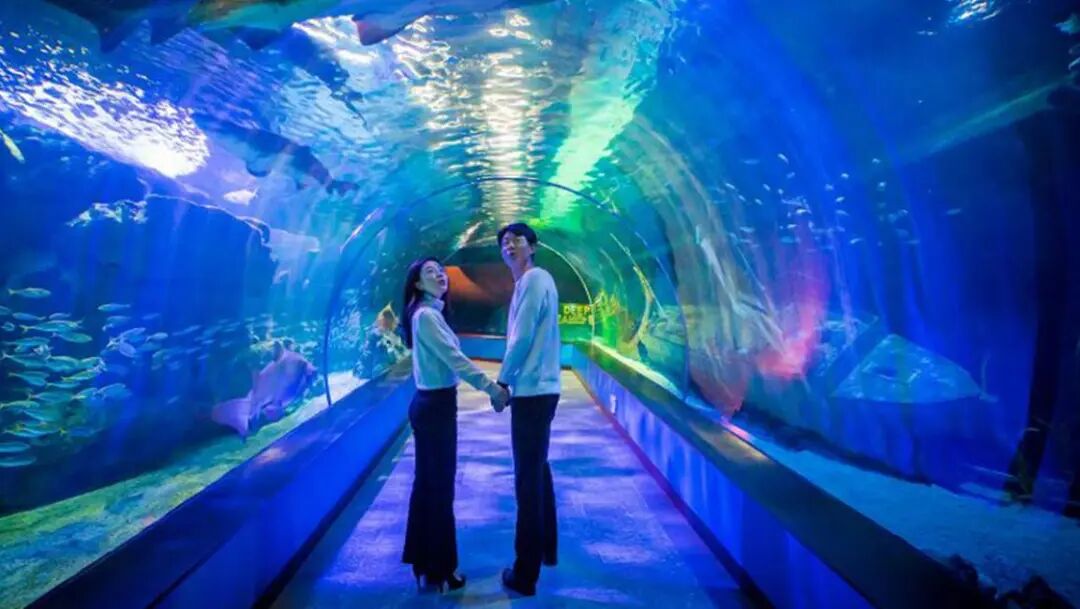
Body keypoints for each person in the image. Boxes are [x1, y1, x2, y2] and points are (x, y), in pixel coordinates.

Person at [400, 257, 509, 593]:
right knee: (440, 488)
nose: (439, 275)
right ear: (417, 283)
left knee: (428, 486)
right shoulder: (427, 316)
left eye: (440, 270)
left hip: (432, 405)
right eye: (429, 272)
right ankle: (442, 569)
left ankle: (425, 564)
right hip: (435, 407)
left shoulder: (429, 313)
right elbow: (455, 360)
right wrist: (493, 388)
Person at [492, 223, 561, 597]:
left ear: (532, 247)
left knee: (527, 481)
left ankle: (525, 573)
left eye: (516, 240)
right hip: (540, 390)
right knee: (538, 470)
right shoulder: (533, 281)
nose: (509, 245)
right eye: (504, 242)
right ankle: (546, 548)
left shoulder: (534, 280)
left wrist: (502, 382)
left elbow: (522, 337)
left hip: (533, 392)